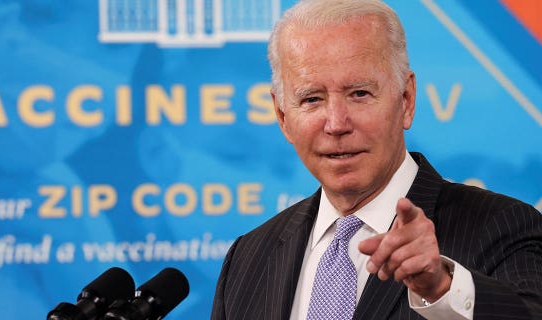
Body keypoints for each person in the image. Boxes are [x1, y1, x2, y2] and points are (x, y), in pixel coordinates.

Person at [210, 0, 542, 319]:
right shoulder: (248, 258)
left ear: (406, 100)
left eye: (359, 94)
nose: (337, 123)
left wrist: (442, 287)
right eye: (312, 98)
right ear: (283, 117)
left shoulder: (503, 226)